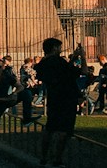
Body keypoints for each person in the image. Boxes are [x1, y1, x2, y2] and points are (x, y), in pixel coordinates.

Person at [35, 38, 79, 166]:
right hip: (66, 98)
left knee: (50, 128)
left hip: (54, 97)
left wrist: (73, 58)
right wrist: (82, 57)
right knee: (63, 131)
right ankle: (57, 158)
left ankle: (44, 157)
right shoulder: (58, 62)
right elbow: (80, 72)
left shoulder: (44, 63)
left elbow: (64, 71)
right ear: (54, 48)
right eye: (59, 47)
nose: (60, 49)